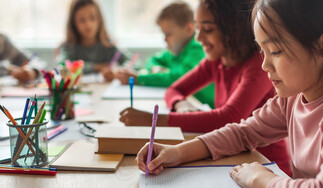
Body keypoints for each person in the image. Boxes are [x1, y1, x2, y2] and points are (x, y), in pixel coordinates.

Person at [136, 0, 323, 188]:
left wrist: (262, 180)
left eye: (275, 51)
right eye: (262, 51)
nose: (264, 65)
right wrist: (178, 151)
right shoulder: (293, 99)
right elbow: (243, 133)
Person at [120, 0, 291, 175]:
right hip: (234, 161)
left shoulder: (258, 65)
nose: (198, 38)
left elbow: (229, 117)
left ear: (234, 30)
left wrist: (155, 119)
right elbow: (174, 90)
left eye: (208, 29)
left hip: (269, 166)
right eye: (197, 28)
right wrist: (181, 105)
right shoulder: (216, 61)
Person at [115, 1, 214, 107]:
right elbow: (152, 60)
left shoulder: (197, 49)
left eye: (168, 34)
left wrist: (139, 79)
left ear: (189, 29)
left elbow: (179, 78)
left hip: (207, 109)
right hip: (187, 105)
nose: (165, 39)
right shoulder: (175, 52)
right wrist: (156, 68)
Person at [57, 0, 128, 81]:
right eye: (81, 20)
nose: (88, 24)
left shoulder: (109, 46)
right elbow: (62, 67)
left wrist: (117, 72)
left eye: (92, 17)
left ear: (99, 19)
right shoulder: (68, 47)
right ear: (73, 23)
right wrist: (96, 67)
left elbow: (135, 63)